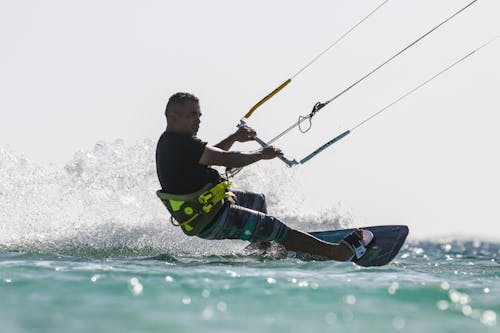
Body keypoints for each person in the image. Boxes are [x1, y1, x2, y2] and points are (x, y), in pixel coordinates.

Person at [155, 92, 372, 262]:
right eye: (192, 115)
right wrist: (261, 154)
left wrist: (235, 137)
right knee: (274, 226)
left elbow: (211, 156)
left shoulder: (174, 142)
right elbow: (227, 159)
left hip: (209, 211)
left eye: (199, 115)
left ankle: (264, 248)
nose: (198, 120)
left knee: (257, 200)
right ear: (173, 117)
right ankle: (338, 253)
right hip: (213, 218)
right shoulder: (181, 143)